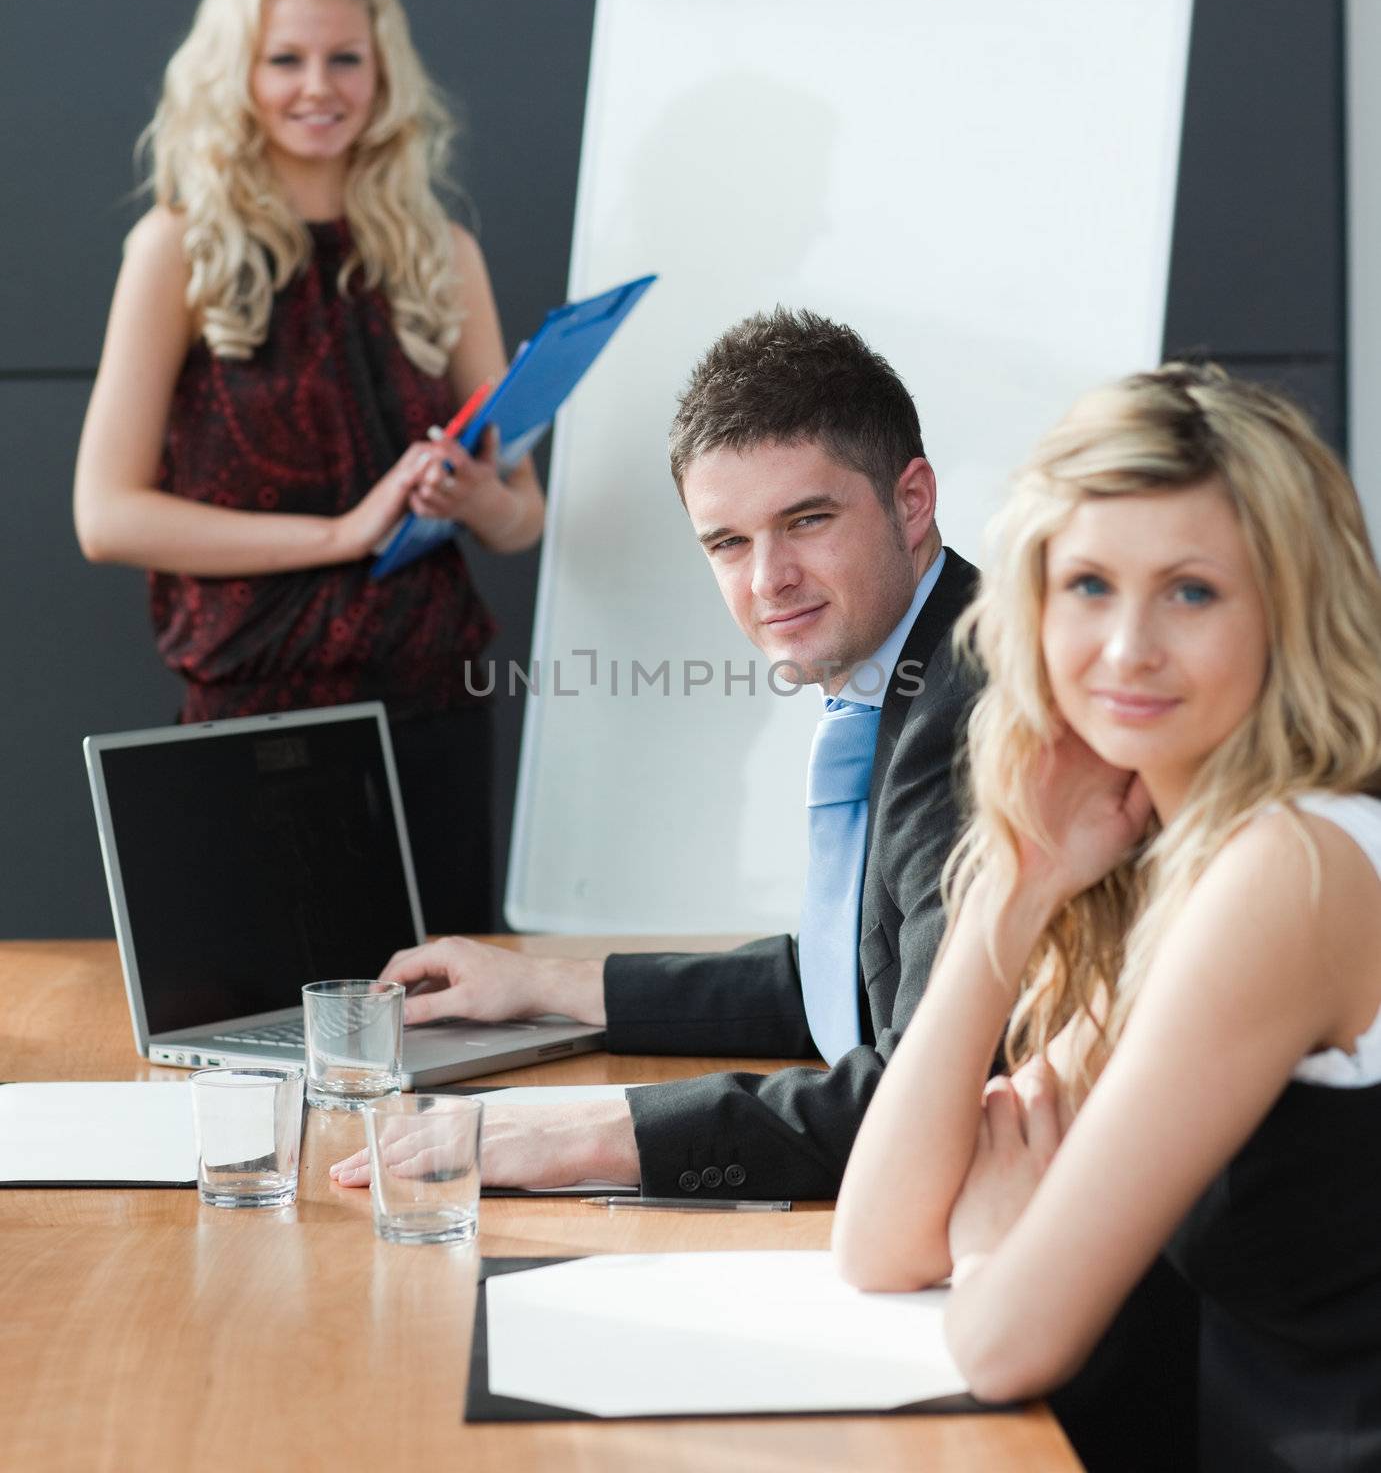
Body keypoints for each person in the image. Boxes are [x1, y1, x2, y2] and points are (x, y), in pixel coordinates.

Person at [834, 364, 1381, 1472]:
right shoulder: (1170, 857)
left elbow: (1003, 1344)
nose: (1126, 646)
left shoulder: (1293, 864)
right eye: (1087, 584)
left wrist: (992, 1248)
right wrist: (1017, 885)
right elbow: (881, 1244)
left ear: (1286, 612)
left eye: (1191, 590)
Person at [331, 307, 981, 1197]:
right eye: (727, 542)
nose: (767, 580)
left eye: (806, 520)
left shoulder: (972, 722)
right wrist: (545, 986)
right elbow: (849, 983)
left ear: (911, 501)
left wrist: (585, 1136)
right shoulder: (913, 664)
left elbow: (924, 1103)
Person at [73, 0, 544, 932]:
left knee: (447, 1031)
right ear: (235, 75)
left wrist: (474, 498)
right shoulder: (175, 249)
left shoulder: (440, 249)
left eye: (345, 59)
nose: (317, 86)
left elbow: (521, 518)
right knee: (262, 1042)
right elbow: (105, 515)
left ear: (383, 73)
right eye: (285, 59)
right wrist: (341, 534)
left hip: (432, 711)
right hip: (255, 721)